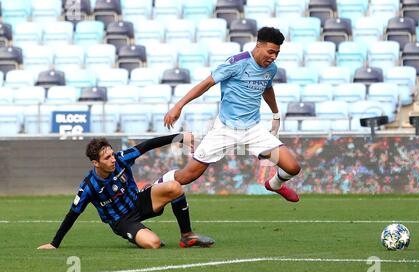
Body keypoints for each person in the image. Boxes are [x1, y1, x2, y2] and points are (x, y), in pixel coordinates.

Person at [160, 27, 301, 202]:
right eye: (271, 52)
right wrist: (178, 106)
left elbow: (267, 88)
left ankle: (274, 184)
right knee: (186, 177)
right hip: (225, 129)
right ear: (258, 45)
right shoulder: (236, 63)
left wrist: (276, 113)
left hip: (254, 130)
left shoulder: (271, 69)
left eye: (277, 53)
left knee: (293, 167)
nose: (273, 57)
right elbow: (206, 84)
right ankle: (152, 188)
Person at [37, 133, 214, 250]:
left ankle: (187, 235)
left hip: (138, 201)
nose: (113, 159)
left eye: (112, 154)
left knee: (175, 187)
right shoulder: (88, 186)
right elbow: (72, 214)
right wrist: (55, 243)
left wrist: (180, 136)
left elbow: (148, 144)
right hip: (122, 221)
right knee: (153, 243)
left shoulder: (121, 160)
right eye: (107, 158)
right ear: (96, 163)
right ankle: (139, 233)